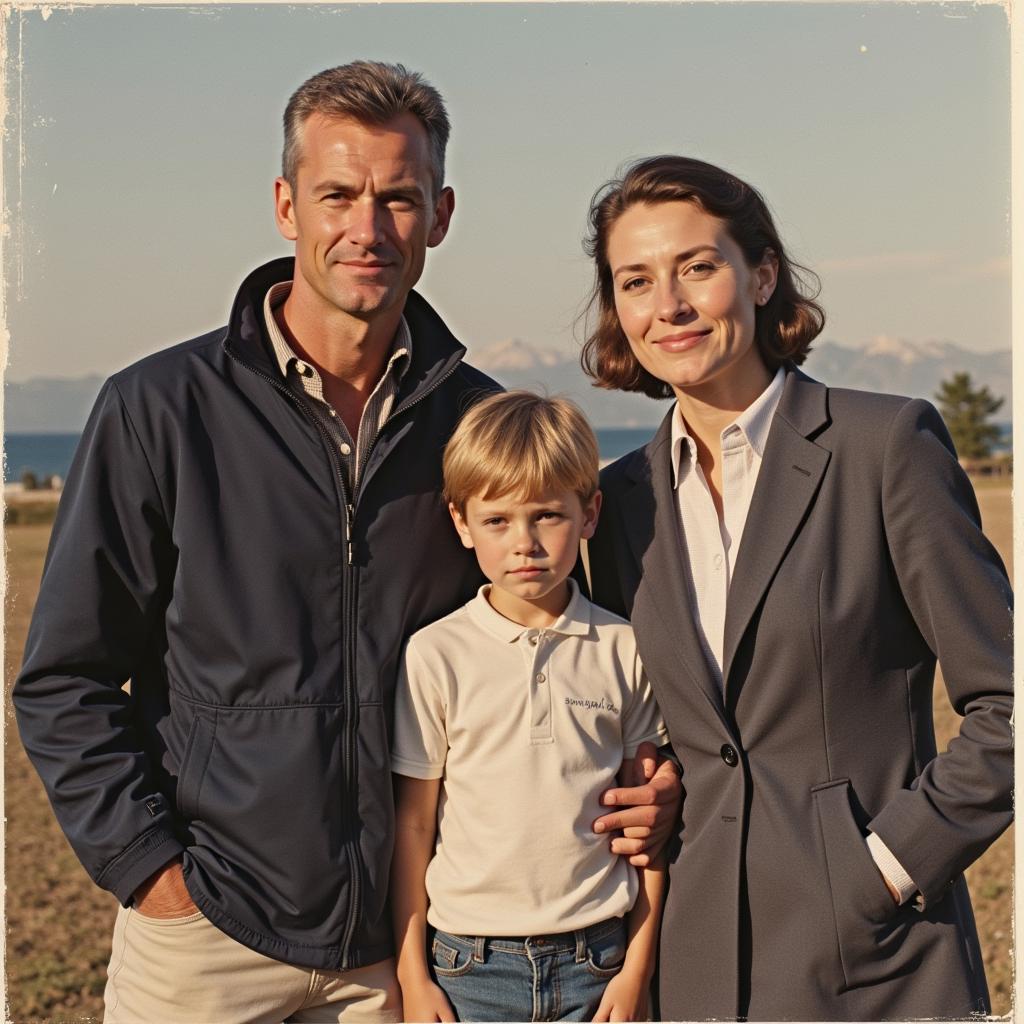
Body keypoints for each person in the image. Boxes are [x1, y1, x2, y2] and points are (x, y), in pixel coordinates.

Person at [12, 64, 678, 1024]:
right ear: (286, 205)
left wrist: (648, 782)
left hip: (402, 956)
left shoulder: (482, 428)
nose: (367, 230)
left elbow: (563, 642)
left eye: (398, 198)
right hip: (205, 937)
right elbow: (64, 680)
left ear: (440, 214)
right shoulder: (161, 409)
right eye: (338, 194)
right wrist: (152, 873)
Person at [581, 155, 1014, 1020]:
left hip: (876, 963)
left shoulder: (883, 446)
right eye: (636, 280)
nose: (667, 305)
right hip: (691, 961)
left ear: (764, 273)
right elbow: (660, 717)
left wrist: (885, 864)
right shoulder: (621, 500)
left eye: (697, 267)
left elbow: (1011, 703)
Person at [390, 391, 668, 1023]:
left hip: (598, 963)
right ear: (461, 523)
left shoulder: (625, 648)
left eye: (547, 515)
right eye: (497, 521)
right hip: (468, 969)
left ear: (589, 512)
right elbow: (412, 828)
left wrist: (636, 970)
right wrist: (414, 978)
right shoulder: (436, 654)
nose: (526, 543)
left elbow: (646, 832)